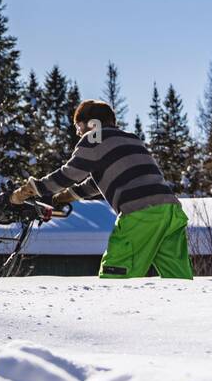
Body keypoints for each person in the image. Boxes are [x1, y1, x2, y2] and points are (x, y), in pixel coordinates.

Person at [11, 99, 192, 279]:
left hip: (141, 215)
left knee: (115, 274)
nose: (78, 131)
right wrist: (65, 197)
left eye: (78, 125)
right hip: (171, 212)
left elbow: (70, 174)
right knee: (178, 278)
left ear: (91, 124)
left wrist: (32, 189)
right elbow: (97, 181)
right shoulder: (130, 138)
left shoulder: (94, 138)